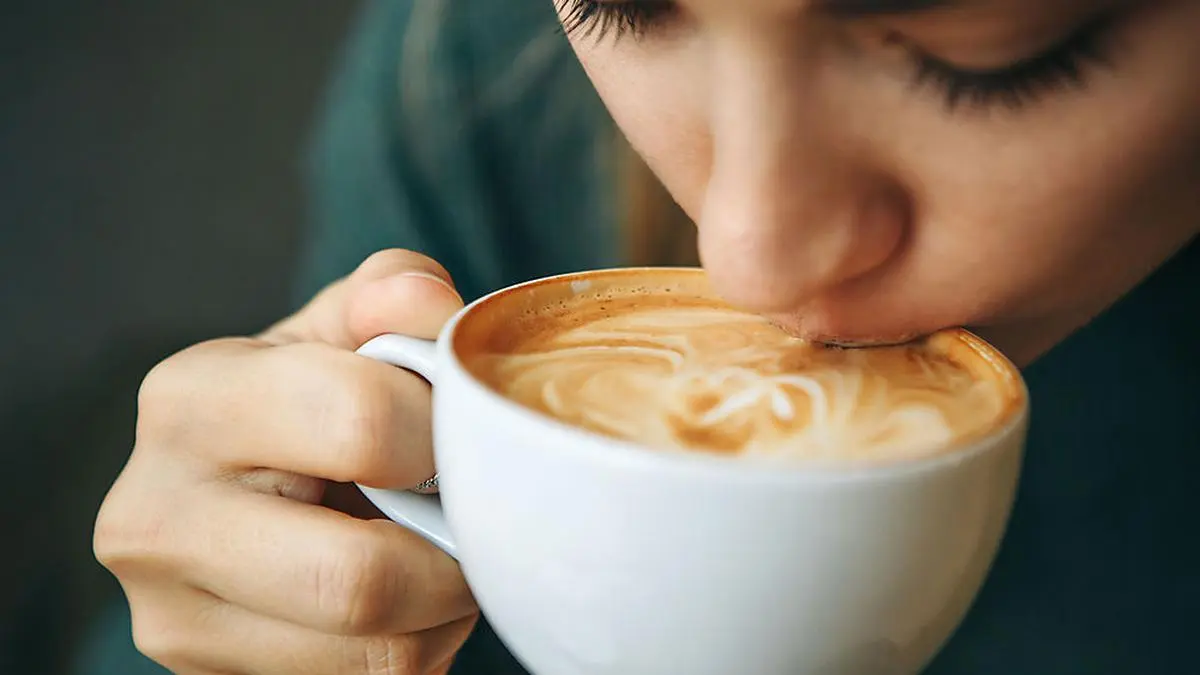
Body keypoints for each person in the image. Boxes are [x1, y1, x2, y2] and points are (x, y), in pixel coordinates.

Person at [84, 0, 1200, 673]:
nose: (748, 252)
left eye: (989, 57)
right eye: (624, 5)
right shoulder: (486, 80)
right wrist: (259, 601)